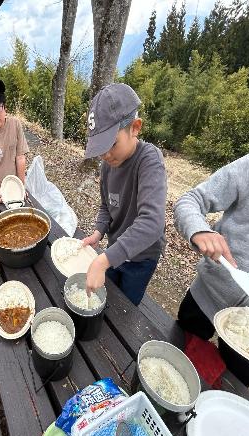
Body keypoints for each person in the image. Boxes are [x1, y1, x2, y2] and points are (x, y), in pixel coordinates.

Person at [174, 148, 249, 387]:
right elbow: (190, 200)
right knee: (173, 370)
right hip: (205, 298)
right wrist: (199, 229)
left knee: (224, 395)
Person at [82, 84, 167, 305]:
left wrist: (104, 260)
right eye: (100, 148)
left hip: (141, 258)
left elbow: (152, 222)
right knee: (106, 297)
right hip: (114, 250)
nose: (106, 155)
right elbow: (106, 206)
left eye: (111, 144)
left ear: (135, 127)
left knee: (125, 306)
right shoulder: (108, 164)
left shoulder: (149, 160)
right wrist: (98, 233)